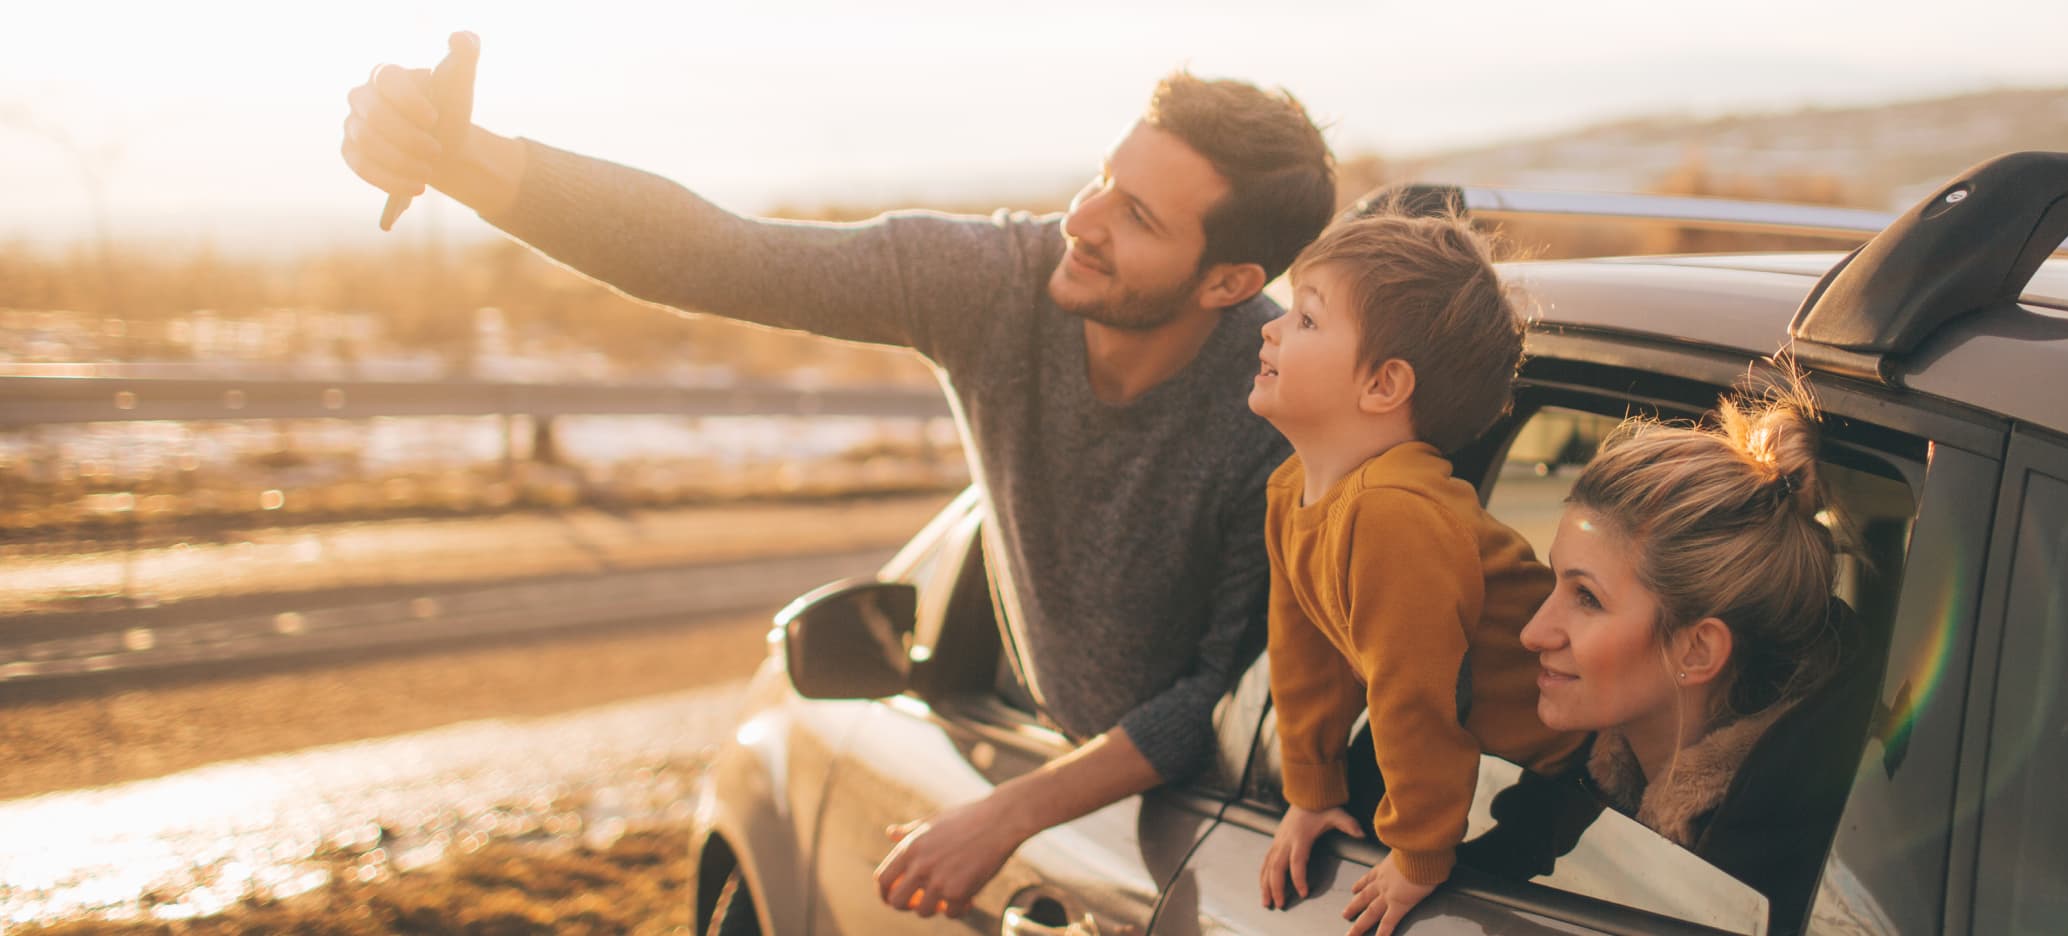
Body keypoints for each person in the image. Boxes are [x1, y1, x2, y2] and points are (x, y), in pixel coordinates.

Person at [339, 33, 1335, 918]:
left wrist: (1006, 816)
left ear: (1229, 283)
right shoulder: (995, 281)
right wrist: (463, 159)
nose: (1081, 218)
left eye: (1137, 217)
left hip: (1203, 829)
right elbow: (718, 254)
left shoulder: (1276, 404)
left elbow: (1217, 692)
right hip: (1072, 785)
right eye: (1099, 179)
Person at [1246, 214, 1586, 936]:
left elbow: (1414, 695)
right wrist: (1311, 791)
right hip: (1512, 768)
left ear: (1382, 385)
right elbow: (1305, 653)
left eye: (1305, 317)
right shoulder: (1290, 490)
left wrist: (1419, 853)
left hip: (1580, 763)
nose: (1272, 328)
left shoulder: (1394, 514)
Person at [1518, 384, 1846, 925]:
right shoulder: (1578, 773)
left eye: (1586, 598)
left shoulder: (1766, 876)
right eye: (1555, 580)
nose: (1534, 633)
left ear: (1697, 650)